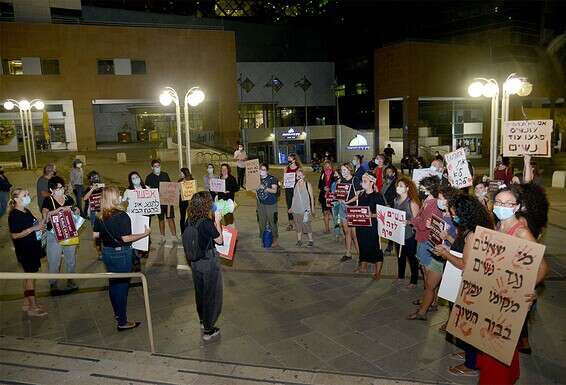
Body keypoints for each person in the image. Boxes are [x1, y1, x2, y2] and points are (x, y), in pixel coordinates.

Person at [475, 184, 549, 385]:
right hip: (494, 295)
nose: (502, 206)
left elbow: (542, 267)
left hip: (508, 299)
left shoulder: (521, 232)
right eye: (499, 202)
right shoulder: (498, 225)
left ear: (516, 207)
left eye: (508, 203)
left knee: (497, 345)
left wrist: (527, 289)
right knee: (494, 343)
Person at [433, 195, 493, 377]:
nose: (453, 217)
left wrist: (445, 254)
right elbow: (460, 248)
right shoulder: (469, 227)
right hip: (465, 280)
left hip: (470, 283)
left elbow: (465, 264)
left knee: (468, 321)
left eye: (455, 214)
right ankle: (469, 353)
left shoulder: (474, 233)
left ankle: (471, 364)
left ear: (465, 213)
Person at [93, 186, 150, 331]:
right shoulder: (121, 216)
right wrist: (145, 234)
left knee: (113, 283)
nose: (120, 197)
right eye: (118, 195)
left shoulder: (100, 215)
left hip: (107, 252)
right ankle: (122, 321)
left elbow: (96, 236)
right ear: (113, 198)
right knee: (122, 287)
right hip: (121, 254)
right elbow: (126, 238)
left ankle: (117, 314)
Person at [182, 191, 224, 341]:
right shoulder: (206, 223)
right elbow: (219, 240)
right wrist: (217, 221)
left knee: (200, 292)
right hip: (208, 262)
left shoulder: (189, 220)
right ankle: (209, 329)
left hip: (195, 262)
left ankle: (202, 320)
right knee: (211, 294)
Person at [8, 188, 47, 317]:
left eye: (28, 194)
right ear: (16, 199)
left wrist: (43, 223)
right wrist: (33, 229)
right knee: (30, 278)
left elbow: (35, 224)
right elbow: (15, 235)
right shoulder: (14, 215)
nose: (28, 197)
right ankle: (33, 307)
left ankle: (26, 303)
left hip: (32, 248)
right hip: (25, 251)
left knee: (28, 277)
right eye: (24, 195)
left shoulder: (26, 210)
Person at [407, 175, 442, 319]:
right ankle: (430, 300)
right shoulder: (426, 201)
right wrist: (414, 221)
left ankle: (424, 309)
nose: (420, 190)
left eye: (423, 188)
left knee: (429, 278)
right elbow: (421, 219)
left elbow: (426, 224)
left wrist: (413, 222)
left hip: (427, 241)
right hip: (422, 239)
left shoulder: (433, 204)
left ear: (430, 189)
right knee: (425, 273)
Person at [41, 175, 80, 295]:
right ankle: (53, 283)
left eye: (62, 187)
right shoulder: (48, 200)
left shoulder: (68, 198)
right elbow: (45, 217)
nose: (61, 190)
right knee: (54, 260)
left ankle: (70, 279)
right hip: (54, 234)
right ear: (52, 190)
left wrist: (76, 210)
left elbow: (76, 212)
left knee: (71, 258)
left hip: (68, 232)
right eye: (58, 188)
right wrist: (59, 210)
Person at [355, 172, 386, 278]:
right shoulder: (361, 195)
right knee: (362, 245)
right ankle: (363, 266)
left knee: (375, 247)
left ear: (372, 183)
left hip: (373, 227)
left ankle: (378, 272)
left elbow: (383, 214)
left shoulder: (378, 196)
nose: (362, 183)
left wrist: (371, 215)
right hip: (361, 226)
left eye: (365, 181)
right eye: (362, 181)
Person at [394, 176, 420, 287]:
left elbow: (418, 220)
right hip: (398, 234)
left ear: (407, 188)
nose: (398, 188)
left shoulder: (412, 202)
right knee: (400, 256)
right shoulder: (396, 200)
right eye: (398, 186)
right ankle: (400, 276)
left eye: (401, 186)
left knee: (412, 258)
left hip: (409, 236)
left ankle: (414, 280)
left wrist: (408, 222)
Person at [145, 160, 176, 242]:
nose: (157, 167)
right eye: (155, 166)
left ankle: (174, 236)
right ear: (152, 167)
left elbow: (170, 186)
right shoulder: (149, 178)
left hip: (168, 201)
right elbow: (147, 190)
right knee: (161, 219)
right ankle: (162, 236)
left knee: (170, 218)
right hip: (158, 203)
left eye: (158, 165)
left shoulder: (165, 175)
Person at [337, 162, 359, 262]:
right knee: (347, 232)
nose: (343, 172)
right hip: (343, 208)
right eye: (342, 170)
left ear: (350, 169)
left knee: (355, 235)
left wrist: (347, 202)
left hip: (352, 209)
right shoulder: (341, 180)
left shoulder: (355, 180)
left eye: (345, 170)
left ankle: (361, 256)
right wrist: (339, 199)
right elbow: (339, 194)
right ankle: (348, 253)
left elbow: (358, 195)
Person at [290, 168, 315, 246]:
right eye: (297, 175)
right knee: (297, 225)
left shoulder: (308, 185)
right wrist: (291, 207)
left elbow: (311, 198)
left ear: (304, 176)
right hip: (296, 209)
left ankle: (311, 240)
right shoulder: (295, 185)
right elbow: (294, 197)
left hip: (305, 210)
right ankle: (299, 240)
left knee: (307, 225)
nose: (298, 177)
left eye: (300, 175)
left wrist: (312, 209)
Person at [256, 163, 279, 246]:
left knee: (272, 221)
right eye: (260, 169)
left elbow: (274, 190)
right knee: (261, 222)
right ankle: (263, 238)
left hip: (271, 204)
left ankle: (275, 238)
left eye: (263, 169)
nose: (261, 171)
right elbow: (253, 191)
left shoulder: (272, 179)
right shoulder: (257, 179)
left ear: (267, 171)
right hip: (260, 204)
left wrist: (264, 188)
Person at [83, 171, 104, 259]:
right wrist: (92, 189)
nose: (95, 179)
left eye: (96, 177)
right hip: (93, 213)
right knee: (96, 235)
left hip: (102, 212)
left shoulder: (102, 188)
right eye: (93, 178)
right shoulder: (88, 189)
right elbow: (85, 198)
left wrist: (103, 187)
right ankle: (99, 252)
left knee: (104, 233)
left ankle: (105, 249)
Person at [284, 154, 301, 231]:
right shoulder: (286, 168)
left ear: (294, 160)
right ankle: (290, 223)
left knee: (297, 205)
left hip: (296, 189)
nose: (288, 161)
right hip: (288, 190)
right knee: (289, 206)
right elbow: (285, 179)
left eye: (290, 159)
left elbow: (301, 179)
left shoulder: (298, 169)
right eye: (288, 159)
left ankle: (297, 222)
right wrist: (283, 184)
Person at [318, 160, 336, 233]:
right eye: (325, 166)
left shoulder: (335, 174)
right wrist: (323, 188)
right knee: (325, 213)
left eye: (328, 166)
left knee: (334, 214)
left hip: (332, 197)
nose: (327, 167)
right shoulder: (322, 174)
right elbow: (319, 185)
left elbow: (337, 186)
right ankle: (327, 229)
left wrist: (330, 189)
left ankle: (337, 230)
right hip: (324, 197)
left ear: (331, 166)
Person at [178, 168, 194, 234]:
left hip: (190, 201)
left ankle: (191, 231)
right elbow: (178, 191)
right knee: (182, 217)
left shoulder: (192, 180)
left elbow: (193, 190)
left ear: (185, 173)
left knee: (191, 216)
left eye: (181, 173)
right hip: (182, 201)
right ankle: (183, 232)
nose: (180, 174)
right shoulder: (179, 181)